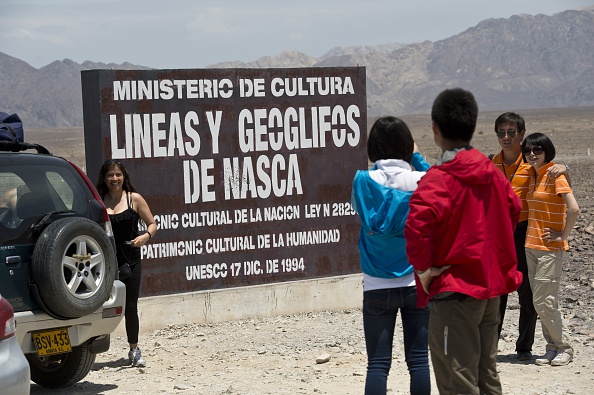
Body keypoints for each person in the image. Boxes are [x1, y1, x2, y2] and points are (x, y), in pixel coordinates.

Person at [404, 88, 523, 395]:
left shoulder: (437, 179)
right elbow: (514, 210)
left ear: (435, 128)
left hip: (455, 293)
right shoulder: (494, 175)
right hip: (489, 291)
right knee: (486, 375)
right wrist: (490, 251)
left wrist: (425, 271)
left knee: (458, 379)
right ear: (472, 127)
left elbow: (416, 230)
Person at [351, 116, 438, 395]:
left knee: (377, 364)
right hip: (417, 282)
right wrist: (417, 157)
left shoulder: (362, 182)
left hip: (376, 284)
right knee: (419, 362)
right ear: (404, 145)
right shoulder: (421, 181)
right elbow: (446, 185)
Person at [491, 112, 568, 361]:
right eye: (501, 132)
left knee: (527, 292)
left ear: (521, 134)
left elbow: (554, 174)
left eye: (511, 132)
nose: (506, 136)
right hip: (499, 234)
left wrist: (564, 166)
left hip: (525, 232)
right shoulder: (494, 162)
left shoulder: (531, 163)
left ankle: (524, 347)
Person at [521, 133, 580, 366]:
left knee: (544, 301)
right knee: (540, 301)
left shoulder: (556, 174)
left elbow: (574, 209)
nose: (532, 154)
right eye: (528, 150)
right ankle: (551, 347)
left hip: (549, 248)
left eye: (537, 149)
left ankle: (565, 347)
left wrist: (562, 236)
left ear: (547, 151)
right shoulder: (534, 175)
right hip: (531, 246)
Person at [96, 159, 157, 367]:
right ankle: (89, 352)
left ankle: (134, 349)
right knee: (97, 307)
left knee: (130, 307)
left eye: (118, 175)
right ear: (104, 178)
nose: (115, 179)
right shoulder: (98, 201)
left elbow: (152, 223)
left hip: (130, 262)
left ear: (124, 177)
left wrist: (145, 237)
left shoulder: (134, 199)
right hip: (105, 265)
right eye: (110, 175)